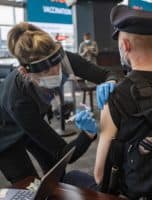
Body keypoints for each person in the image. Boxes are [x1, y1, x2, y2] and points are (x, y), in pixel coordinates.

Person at [64, 5, 152, 200]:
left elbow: (100, 176)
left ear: (125, 46)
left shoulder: (117, 97)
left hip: (137, 194)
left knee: (71, 177)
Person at [0, 22, 116, 184]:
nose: (56, 72)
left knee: (55, 170)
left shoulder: (59, 58)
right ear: (25, 72)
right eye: (46, 71)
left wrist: (110, 81)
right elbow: (65, 154)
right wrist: (88, 134)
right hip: (5, 133)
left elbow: (107, 74)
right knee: (28, 184)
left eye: (56, 65)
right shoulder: (18, 100)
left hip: (33, 119)